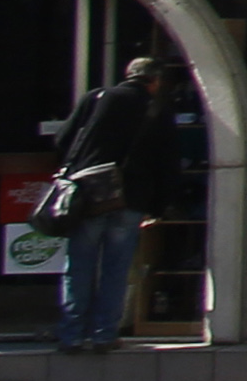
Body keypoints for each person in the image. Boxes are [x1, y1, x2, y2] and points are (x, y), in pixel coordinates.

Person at [44, 53, 170, 353]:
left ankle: (72, 334)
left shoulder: (97, 97)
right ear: (154, 81)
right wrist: (159, 205)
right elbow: (166, 161)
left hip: (90, 195)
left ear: (127, 75)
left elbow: (63, 140)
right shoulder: (156, 109)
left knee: (79, 264)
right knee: (117, 268)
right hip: (130, 198)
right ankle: (104, 334)